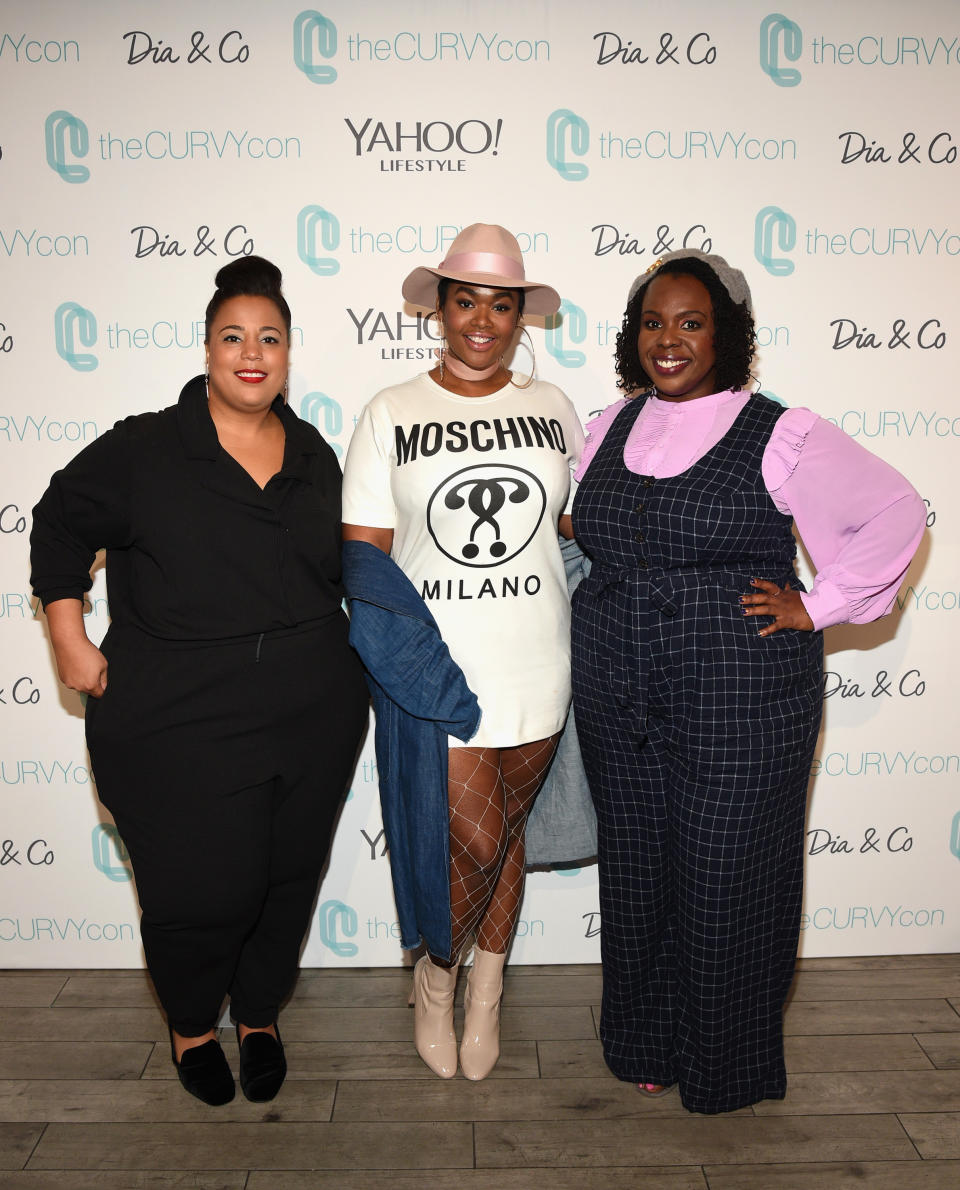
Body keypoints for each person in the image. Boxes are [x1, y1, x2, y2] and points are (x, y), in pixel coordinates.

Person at [570, 249, 925, 1114]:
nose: (669, 340)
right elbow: (588, 529)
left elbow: (897, 511)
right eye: (653, 322)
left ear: (726, 334)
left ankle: (725, 1065)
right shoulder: (604, 427)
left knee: (730, 876)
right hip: (620, 693)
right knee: (640, 868)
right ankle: (647, 1042)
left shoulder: (779, 430)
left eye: (691, 323)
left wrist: (822, 602)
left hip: (743, 694)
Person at [30, 256, 367, 1106]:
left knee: (288, 879)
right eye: (233, 337)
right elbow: (60, 525)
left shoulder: (316, 453)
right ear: (207, 347)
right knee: (199, 890)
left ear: (289, 353)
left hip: (312, 711)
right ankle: (190, 1023)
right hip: (177, 717)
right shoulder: (146, 447)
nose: (251, 353)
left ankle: (257, 1015)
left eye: (270, 338)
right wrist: (69, 638)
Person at [341, 223, 584, 1080]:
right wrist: (405, 670)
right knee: (475, 844)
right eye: (466, 300)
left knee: (508, 832)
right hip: (437, 677)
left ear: (522, 316)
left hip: (538, 662)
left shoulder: (555, 409)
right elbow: (365, 564)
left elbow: (565, 537)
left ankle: (488, 994)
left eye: (502, 303)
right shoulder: (390, 411)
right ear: (439, 309)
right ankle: (438, 980)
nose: (483, 319)